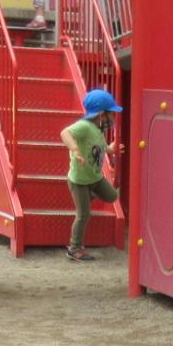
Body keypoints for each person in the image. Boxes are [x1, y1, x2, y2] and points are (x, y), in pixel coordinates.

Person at [62, 87, 122, 263]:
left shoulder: (97, 130)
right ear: (102, 115)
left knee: (112, 195)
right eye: (112, 114)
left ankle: (87, 197)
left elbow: (101, 148)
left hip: (94, 178)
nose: (113, 118)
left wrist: (111, 149)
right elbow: (65, 133)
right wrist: (75, 149)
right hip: (79, 180)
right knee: (84, 214)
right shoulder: (85, 126)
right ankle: (74, 248)